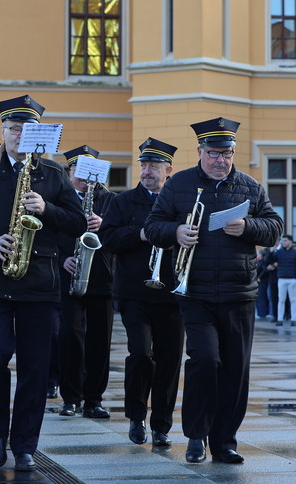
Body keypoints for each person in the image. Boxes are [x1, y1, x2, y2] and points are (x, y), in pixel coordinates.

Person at [0, 95, 86, 472]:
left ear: (36, 135)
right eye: (12, 128)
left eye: (26, 129)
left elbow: (77, 223)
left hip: (38, 281)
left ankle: (25, 443)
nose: (18, 134)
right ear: (3, 132)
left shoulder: (53, 175)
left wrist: (47, 209)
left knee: (36, 366)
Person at [144, 117, 282, 465]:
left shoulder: (250, 187)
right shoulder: (178, 184)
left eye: (227, 153)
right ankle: (195, 435)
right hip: (196, 293)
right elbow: (152, 226)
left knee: (235, 370)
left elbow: (274, 228)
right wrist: (175, 232)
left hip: (239, 293)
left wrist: (249, 226)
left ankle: (224, 442)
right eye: (214, 153)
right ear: (200, 151)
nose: (221, 160)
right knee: (205, 359)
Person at [99, 137, 183, 449]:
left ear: (168, 170)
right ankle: (136, 415)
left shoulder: (181, 202)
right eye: (144, 165)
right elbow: (107, 239)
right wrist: (141, 234)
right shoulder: (122, 202)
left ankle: (162, 425)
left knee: (170, 360)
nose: (147, 171)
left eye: (154, 166)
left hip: (173, 294)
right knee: (140, 354)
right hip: (134, 292)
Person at [58, 145, 116, 419]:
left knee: (99, 341)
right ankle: (70, 397)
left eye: (89, 171)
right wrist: (61, 260)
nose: (84, 177)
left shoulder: (112, 201)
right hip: (69, 276)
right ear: (69, 173)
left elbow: (121, 236)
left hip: (102, 277)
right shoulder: (59, 198)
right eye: (78, 171)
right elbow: (48, 232)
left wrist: (104, 225)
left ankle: (94, 399)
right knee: (70, 336)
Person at [271, 235, 296, 326]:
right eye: (282, 241)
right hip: (281, 278)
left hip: (292, 279)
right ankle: (280, 319)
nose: (283, 242)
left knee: (293, 300)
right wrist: (273, 251)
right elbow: (270, 260)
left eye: (285, 241)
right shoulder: (279, 252)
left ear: (290, 241)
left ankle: (293, 319)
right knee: (281, 300)